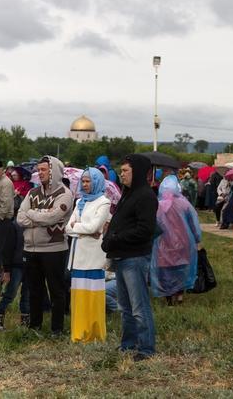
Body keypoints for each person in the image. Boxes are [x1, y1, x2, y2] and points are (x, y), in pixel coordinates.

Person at [101, 154, 158, 360]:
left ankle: (146, 348)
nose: (121, 174)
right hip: (122, 257)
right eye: (121, 170)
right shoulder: (129, 194)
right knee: (125, 307)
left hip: (134, 258)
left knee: (138, 306)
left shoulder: (145, 196)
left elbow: (145, 230)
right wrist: (110, 238)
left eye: (126, 171)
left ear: (138, 172)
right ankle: (128, 344)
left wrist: (116, 237)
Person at [16, 156, 74, 336]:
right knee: (35, 290)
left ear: (53, 171)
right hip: (31, 248)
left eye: (43, 170)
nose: (38, 173)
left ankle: (57, 328)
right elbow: (19, 217)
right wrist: (39, 215)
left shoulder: (65, 194)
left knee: (56, 290)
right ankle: (35, 326)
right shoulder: (32, 193)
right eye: (38, 170)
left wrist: (32, 214)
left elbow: (53, 217)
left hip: (54, 249)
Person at [65, 168, 111, 343]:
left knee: (93, 298)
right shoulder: (79, 202)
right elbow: (68, 228)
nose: (84, 185)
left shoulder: (103, 202)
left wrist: (79, 228)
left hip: (93, 258)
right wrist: (83, 230)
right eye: (83, 181)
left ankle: (94, 334)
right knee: (79, 298)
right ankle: (79, 332)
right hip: (78, 257)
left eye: (88, 181)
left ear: (97, 182)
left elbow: (94, 228)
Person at [151, 176, 202, 305]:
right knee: (181, 269)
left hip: (163, 243)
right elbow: (193, 223)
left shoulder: (159, 205)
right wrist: (197, 239)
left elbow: (154, 224)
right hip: (183, 241)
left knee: (166, 270)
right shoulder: (184, 203)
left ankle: (168, 297)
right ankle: (179, 295)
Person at [0, 215, 29, 330]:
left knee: (27, 296)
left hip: (29, 265)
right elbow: (7, 249)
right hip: (16, 266)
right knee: (10, 294)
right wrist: (6, 270)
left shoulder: (33, 224)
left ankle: (25, 323)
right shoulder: (14, 226)